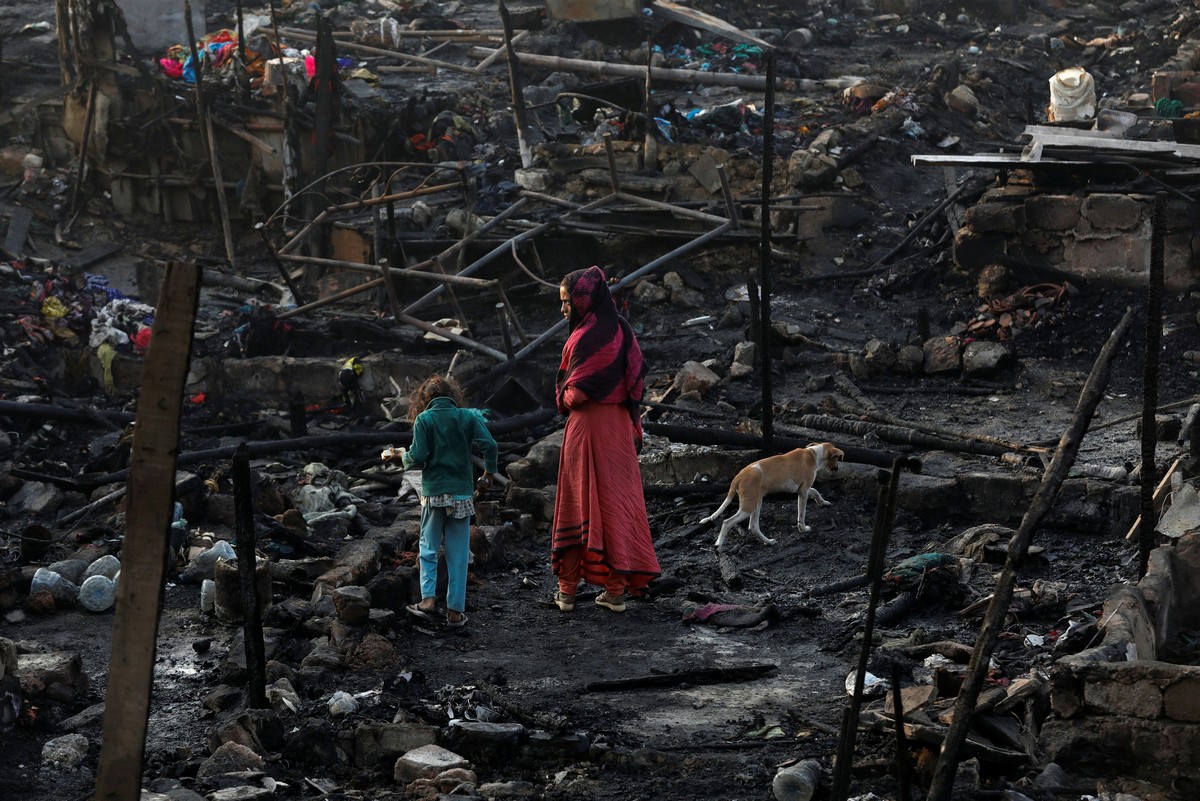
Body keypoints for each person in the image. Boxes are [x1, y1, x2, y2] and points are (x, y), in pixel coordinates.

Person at [552, 265, 660, 614]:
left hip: (586, 432)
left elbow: (578, 393)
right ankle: (614, 593)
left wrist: (563, 395)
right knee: (616, 505)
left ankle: (567, 592)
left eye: (567, 301)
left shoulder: (587, 336)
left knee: (576, 503)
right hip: (618, 431)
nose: (564, 309)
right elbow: (635, 378)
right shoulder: (622, 331)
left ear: (585, 299)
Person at [393, 374, 498, 628]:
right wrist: (488, 473)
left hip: (434, 494)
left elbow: (417, 457)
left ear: (426, 398)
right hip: (461, 494)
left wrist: (399, 456)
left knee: (428, 547)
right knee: (459, 554)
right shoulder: (468, 417)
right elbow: (491, 446)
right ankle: (455, 611)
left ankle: (428, 600)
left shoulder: (424, 419)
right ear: (453, 395)